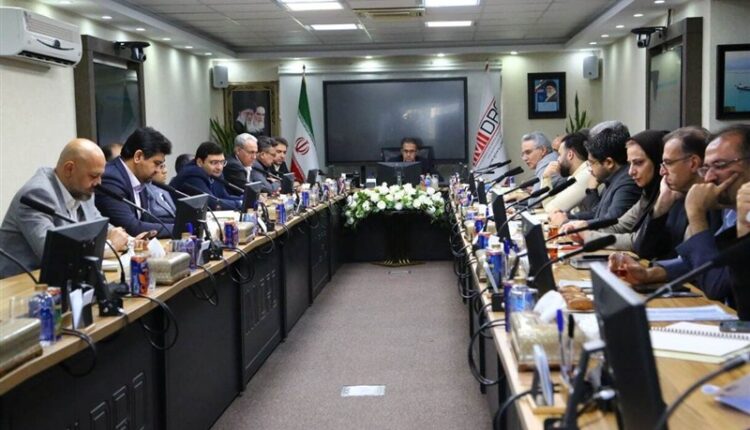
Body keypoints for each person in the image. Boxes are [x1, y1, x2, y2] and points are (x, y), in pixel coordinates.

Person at [611, 124, 750, 303]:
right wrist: (651, 273)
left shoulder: (711, 204)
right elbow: (709, 261)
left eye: (720, 165)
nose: (708, 178)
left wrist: (696, 214)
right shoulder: (727, 209)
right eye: (706, 168)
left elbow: (716, 284)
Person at [0, 139, 129, 278]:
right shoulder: (37, 194)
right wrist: (109, 246)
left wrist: (129, 239)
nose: (98, 183)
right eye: (93, 176)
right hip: (21, 282)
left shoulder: (81, 189)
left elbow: (99, 224)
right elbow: (55, 255)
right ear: (69, 169)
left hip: (61, 279)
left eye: (100, 176)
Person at [566, 130, 667, 251]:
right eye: (630, 164)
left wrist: (589, 235)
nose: (631, 171)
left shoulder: (669, 195)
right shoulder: (648, 193)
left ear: (658, 161)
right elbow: (620, 225)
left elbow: (638, 241)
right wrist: (584, 230)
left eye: (639, 163)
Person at [631, 126, 712, 259]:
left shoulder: (717, 204)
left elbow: (698, 263)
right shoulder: (675, 198)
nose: (662, 172)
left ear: (693, 163)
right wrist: (660, 207)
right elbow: (644, 251)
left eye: (668, 163)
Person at [550, 121, 641, 224]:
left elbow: (610, 223)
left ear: (609, 163)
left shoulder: (627, 183)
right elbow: (597, 213)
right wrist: (569, 217)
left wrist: (567, 222)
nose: (589, 168)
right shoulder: (612, 178)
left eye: (591, 163)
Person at [96, 127, 174, 238]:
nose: (158, 170)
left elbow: (146, 219)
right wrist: (180, 229)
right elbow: (132, 228)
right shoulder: (111, 179)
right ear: (138, 157)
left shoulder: (139, 178)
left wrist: (182, 223)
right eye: (156, 163)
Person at [170, 142, 243, 210]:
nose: (219, 167)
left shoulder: (214, 173)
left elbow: (223, 196)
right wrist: (240, 204)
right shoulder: (192, 175)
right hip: (173, 217)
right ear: (199, 162)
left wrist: (244, 200)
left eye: (222, 162)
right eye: (214, 162)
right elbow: (212, 203)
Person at [541, 132, 593, 213]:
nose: (557, 159)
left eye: (560, 154)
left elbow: (551, 209)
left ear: (570, 155)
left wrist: (546, 177)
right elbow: (554, 202)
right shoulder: (577, 175)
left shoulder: (586, 174)